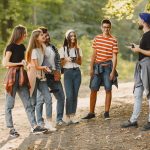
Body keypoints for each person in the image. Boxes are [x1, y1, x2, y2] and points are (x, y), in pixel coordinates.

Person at [3, 25, 47, 137]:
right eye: (25, 33)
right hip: (12, 77)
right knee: (9, 105)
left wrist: (26, 64)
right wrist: (20, 63)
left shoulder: (22, 47)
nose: (26, 35)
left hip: (22, 76)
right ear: (20, 34)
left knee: (28, 103)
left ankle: (34, 126)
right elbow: (5, 63)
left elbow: (23, 61)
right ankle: (11, 128)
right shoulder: (10, 47)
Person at [82, 19, 118, 120]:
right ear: (101, 27)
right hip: (97, 66)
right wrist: (91, 68)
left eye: (108, 27)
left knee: (108, 89)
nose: (106, 29)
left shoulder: (113, 39)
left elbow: (114, 56)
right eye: (104, 27)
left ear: (110, 28)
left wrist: (112, 71)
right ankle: (91, 112)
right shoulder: (97, 38)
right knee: (93, 89)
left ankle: (106, 113)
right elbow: (94, 54)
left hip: (108, 67)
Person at [121, 13, 150, 131]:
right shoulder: (144, 35)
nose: (137, 21)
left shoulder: (149, 35)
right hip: (140, 66)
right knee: (137, 93)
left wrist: (138, 49)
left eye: (139, 19)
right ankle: (133, 120)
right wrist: (137, 47)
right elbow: (144, 49)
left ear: (144, 21)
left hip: (147, 65)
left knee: (148, 94)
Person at [26, 29, 56, 131]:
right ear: (36, 38)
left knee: (48, 99)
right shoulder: (34, 50)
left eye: (43, 34)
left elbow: (49, 55)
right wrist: (44, 68)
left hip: (41, 77)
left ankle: (48, 123)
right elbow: (36, 66)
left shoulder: (42, 48)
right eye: (41, 35)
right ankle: (34, 125)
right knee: (33, 101)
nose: (43, 36)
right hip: (34, 77)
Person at [36, 27, 65, 127]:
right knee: (41, 100)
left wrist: (58, 72)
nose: (47, 37)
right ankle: (40, 121)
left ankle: (59, 119)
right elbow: (40, 63)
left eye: (47, 35)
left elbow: (57, 61)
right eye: (44, 35)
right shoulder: (38, 48)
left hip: (54, 76)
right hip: (43, 77)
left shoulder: (52, 47)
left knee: (61, 97)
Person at [59, 29, 82, 124]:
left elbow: (80, 62)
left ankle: (73, 115)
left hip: (77, 72)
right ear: (67, 37)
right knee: (69, 95)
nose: (73, 37)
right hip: (68, 73)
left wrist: (75, 60)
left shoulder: (78, 49)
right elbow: (60, 64)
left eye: (74, 36)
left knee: (75, 95)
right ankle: (67, 115)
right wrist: (66, 59)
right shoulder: (63, 49)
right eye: (71, 36)